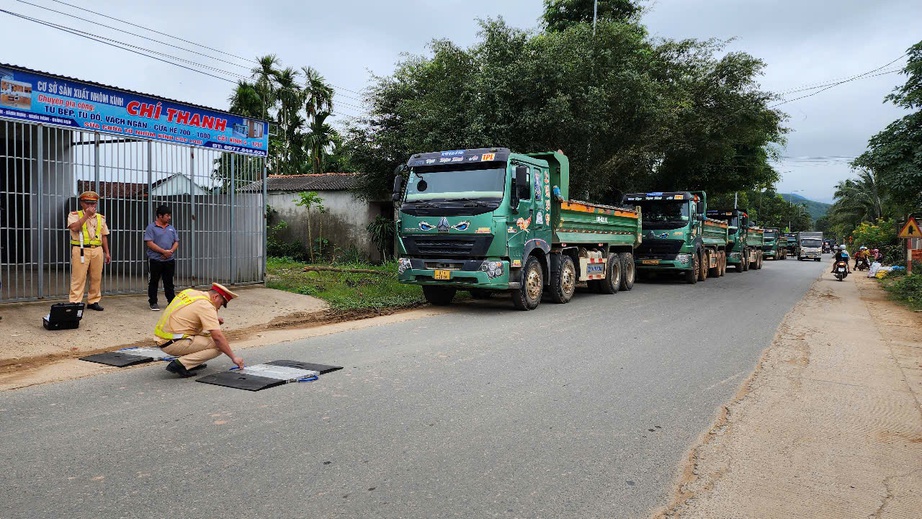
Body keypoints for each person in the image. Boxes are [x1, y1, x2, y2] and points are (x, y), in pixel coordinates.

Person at [154, 282, 244, 377]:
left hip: (163, 337)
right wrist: (234, 357)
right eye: (221, 304)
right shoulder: (206, 306)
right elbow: (217, 337)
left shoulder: (190, 293)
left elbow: (189, 313)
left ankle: (192, 363)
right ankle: (181, 364)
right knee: (219, 346)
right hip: (172, 343)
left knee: (207, 336)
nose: (219, 307)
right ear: (215, 297)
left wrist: (213, 320)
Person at [67, 190, 111, 311]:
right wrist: (86, 215)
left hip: (97, 249)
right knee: (78, 277)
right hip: (81, 249)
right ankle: (75, 302)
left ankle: (93, 300)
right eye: (87, 203)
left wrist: (107, 252)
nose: (91, 206)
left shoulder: (100, 218)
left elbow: (104, 235)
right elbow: (74, 228)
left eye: (93, 203)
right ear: (81, 203)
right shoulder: (74, 215)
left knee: (96, 277)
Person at [144, 205, 179, 311]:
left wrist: (170, 251)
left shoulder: (171, 228)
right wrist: (163, 251)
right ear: (160, 216)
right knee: (154, 281)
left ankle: (171, 301)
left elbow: (176, 241)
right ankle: (153, 302)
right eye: (167, 215)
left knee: (169, 282)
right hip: (155, 259)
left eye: (169, 215)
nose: (169, 217)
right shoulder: (151, 228)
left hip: (169, 259)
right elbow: (149, 243)